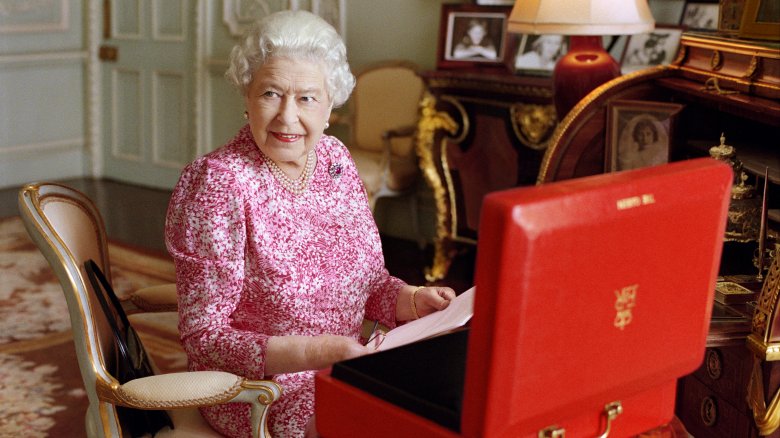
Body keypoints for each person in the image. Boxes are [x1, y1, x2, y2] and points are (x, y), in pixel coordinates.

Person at [164, 10, 456, 438]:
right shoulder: (220, 182)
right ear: (246, 95)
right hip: (258, 394)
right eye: (270, 93)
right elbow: (204, 336)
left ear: (330, 106)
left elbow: (370, 284)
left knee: (446, 403)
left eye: (306, 98)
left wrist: (412, 301)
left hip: (342, 370)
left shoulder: (336, 160)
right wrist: (314, 352)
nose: (287, 116)